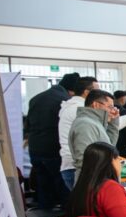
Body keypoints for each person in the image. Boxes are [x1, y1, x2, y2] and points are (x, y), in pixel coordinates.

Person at [28, 72, 78, 207]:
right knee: (63, 188)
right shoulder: (66, 102)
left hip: (35, 149)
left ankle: (45, 213)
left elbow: (28, 125)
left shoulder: (36, 98)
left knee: (43, 184)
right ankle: (65, 216)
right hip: (54, 150)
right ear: (72, 91)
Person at [68, 90, 121, 180]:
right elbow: (84, 161)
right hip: (92, 182)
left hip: (98, 180)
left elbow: (109, 148)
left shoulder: (94, 123)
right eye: (110, 107)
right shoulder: (85, 124)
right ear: (96, 104)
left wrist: (114, 122)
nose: (112, 111)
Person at [59, 76, 98, 190]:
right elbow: (100, 128)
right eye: (97, 90)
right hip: (76, 166)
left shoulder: (71, 106)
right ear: (86, 92)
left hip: (71, 164)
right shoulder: (79, 109)